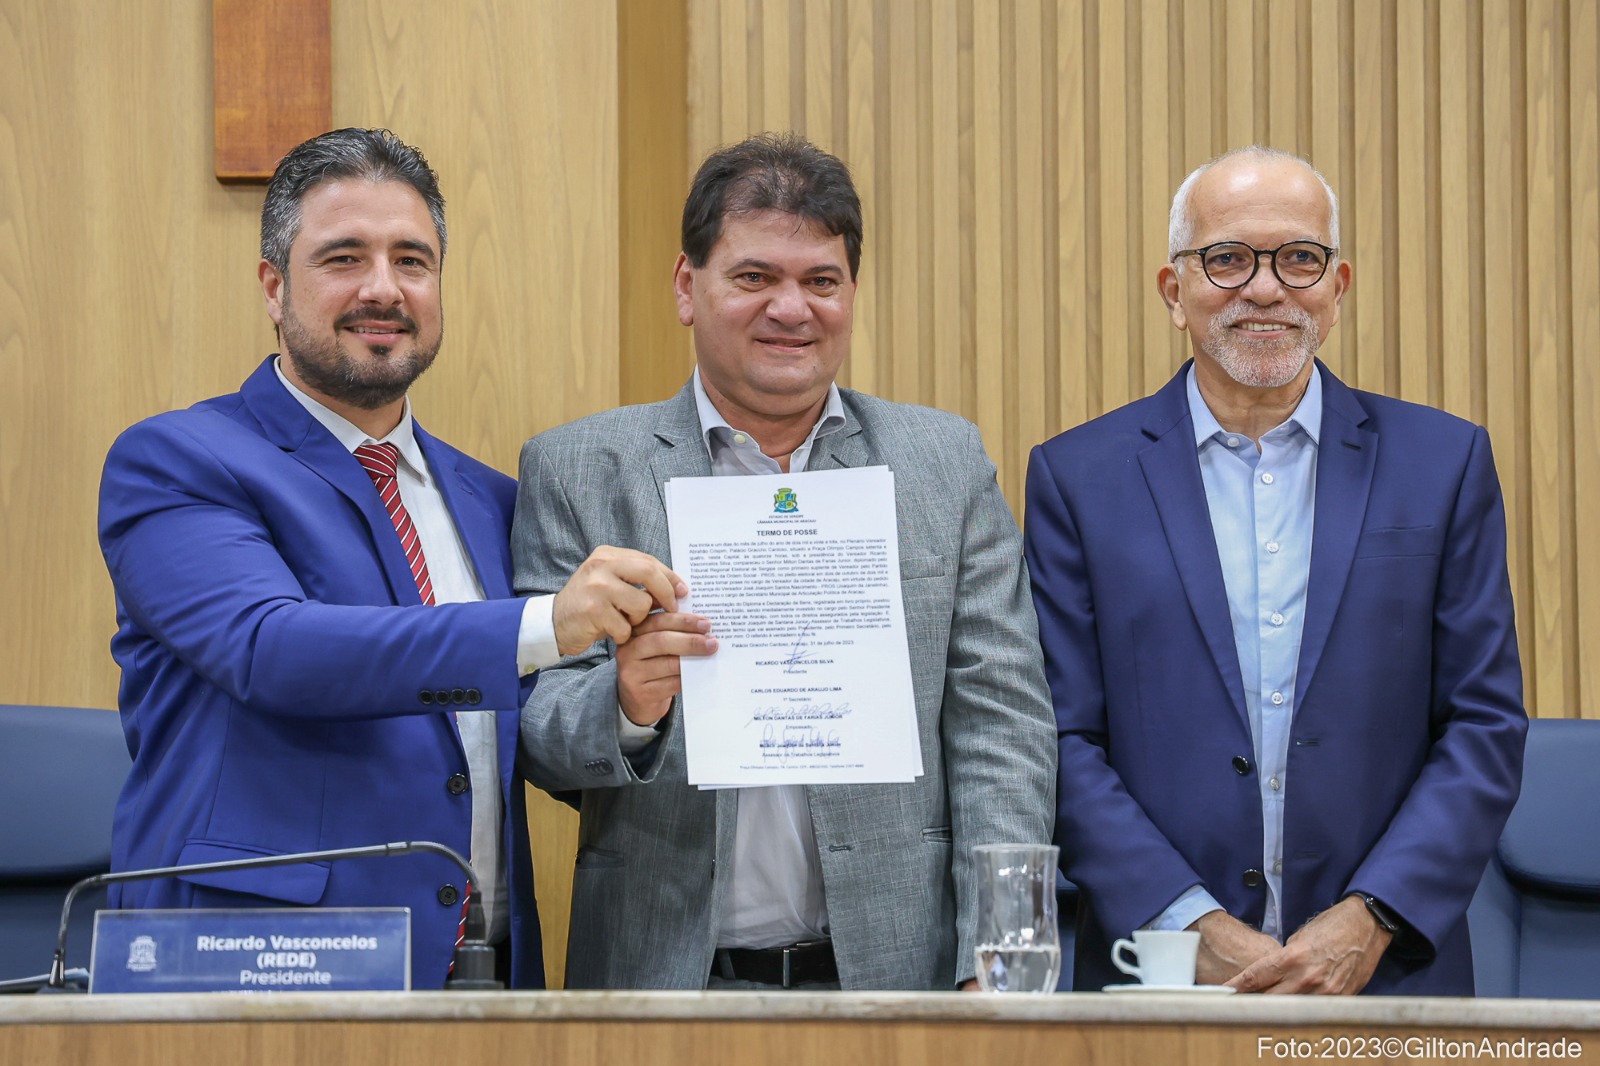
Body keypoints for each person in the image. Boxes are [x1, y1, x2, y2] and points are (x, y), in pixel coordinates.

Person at [97, 128, 682, 990]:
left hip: (480, 977)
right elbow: (274, 650)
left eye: (413, 260)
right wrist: (542, 624)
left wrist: (628, 705)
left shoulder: (492, 499)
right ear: (273, 285)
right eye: (344, 257)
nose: (384, 288)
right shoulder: (178, 461)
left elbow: (515, 725)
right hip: (253, 975)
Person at [512, 132, 1056, 991]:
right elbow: (536, 733)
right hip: (665, 986)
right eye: (755, 277)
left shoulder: (943, 464)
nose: (791, 309)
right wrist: (625, 705)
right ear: (689, 288)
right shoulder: (579, 470)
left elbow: (1003, 725)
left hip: (903, 984)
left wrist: (1004, 956)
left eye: (821, 281)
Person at [1025, 145, 1526, 995]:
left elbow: (1482, 723)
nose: (1265, 288)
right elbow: (1059, 738)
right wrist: (1191, 924)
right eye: (1227, 259)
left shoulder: (1443, 464)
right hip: (1156, 976)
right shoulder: (1077, 478)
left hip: (1388, 973)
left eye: (1300, 259)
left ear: (1337, 288)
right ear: (1173, 292)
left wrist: (1372, 915)